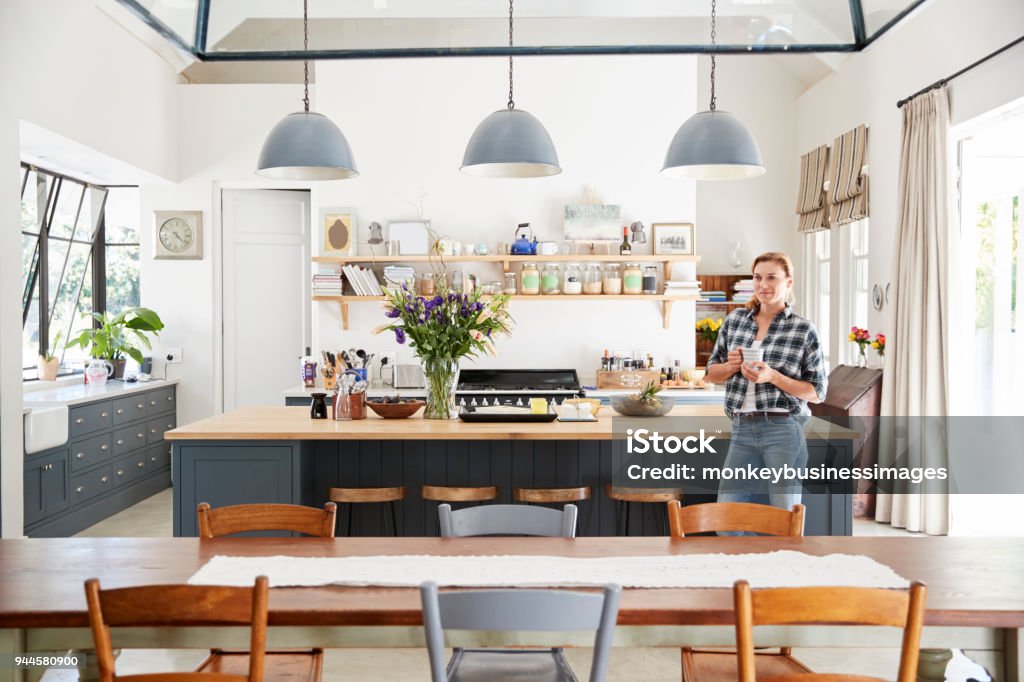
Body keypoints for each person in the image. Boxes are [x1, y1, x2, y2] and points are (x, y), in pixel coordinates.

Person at [705, 252, 827, 517]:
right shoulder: (735, 320)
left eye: (772, 277)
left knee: (785, 515)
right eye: (758, 277)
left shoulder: (803, 329)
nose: (763, 285)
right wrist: (730, 366)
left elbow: (817, 392)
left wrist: (773, 377)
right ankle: (747, 559)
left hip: (784, 429)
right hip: (742, 428)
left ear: (788, 283)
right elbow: (711, 374)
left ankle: (785, 559)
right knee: (727, 515)